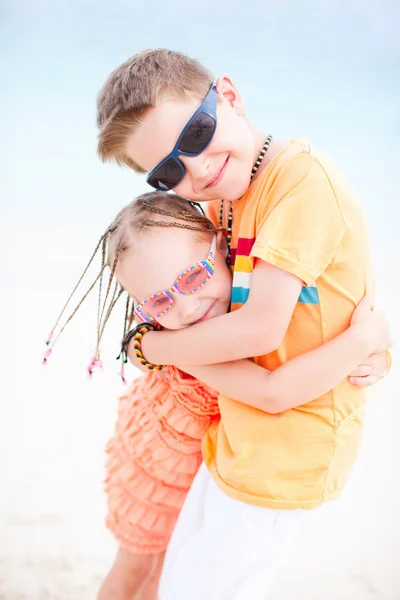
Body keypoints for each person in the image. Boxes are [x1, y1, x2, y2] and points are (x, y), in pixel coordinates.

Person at [93, 49, 393, 598]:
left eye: (197, 132)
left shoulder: (301, 183)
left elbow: (259, 330)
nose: (197, 167)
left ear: (228, 96)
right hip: (237, 436)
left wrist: (154, 347)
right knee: (179, 580)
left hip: (287, 450)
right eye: (167, 171)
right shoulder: (226, 198)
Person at [45, 193, 391, 600]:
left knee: (170, 572)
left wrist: (377, 359)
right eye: (160, 301)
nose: (187, 307)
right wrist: (366, 338)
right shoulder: (180, 342)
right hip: (155, 468)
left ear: (223, 247)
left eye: (192, 277)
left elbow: (307, 342)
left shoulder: (257, 305)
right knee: (136, 568)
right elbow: (270, 389)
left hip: (207, 467)